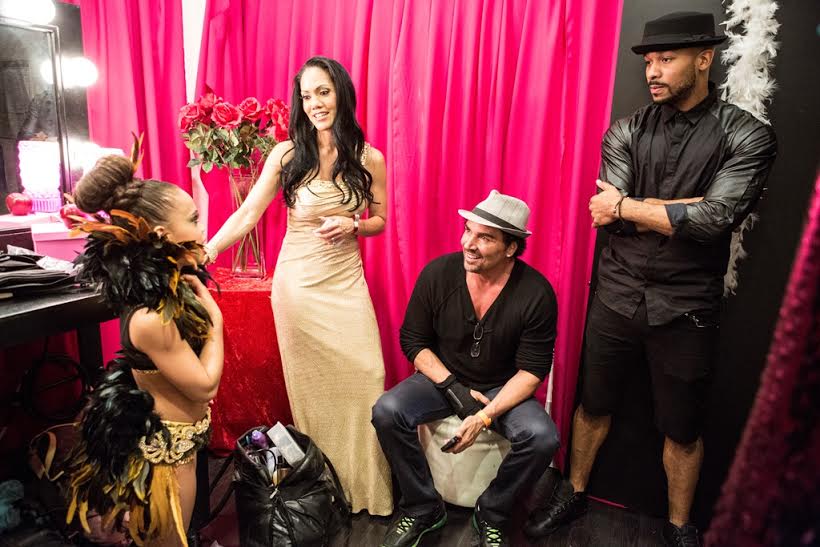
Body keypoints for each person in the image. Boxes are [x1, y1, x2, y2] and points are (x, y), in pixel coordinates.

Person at [524, 12, 777, 547]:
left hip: (688, 306)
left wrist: (632, 206)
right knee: (593, 404)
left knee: (683, 428)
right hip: (616, 294)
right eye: (649, 62)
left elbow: (716, 221)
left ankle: (680, 526)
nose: (653, 72)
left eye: (667, 59)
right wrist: (682, 208)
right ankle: (573, 491)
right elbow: (606, 212)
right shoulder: (625, 131)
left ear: (704, 59)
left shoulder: (747, 135)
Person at [203, 56, 392, 515]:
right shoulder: (286, 154)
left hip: (345, 285)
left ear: (342, 93)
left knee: (368, 376)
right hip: (299, 289)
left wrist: (354, 224)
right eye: (306, 96)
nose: (315, 103)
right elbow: (248, 213)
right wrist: (206, 252)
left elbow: (381, 219)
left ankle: (367, 490)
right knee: (313, 394)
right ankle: (325, 491)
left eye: (323, 92)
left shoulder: (370, 157)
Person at [372, 190, 560, 547]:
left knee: (542, 438)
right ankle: (423, 506)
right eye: (468, 231)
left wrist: (485, 416)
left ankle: (493, 512)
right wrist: (453, 388)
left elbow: (532, 371)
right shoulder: (438, 274)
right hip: (443, 378)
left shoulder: (536, 293)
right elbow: (413, 340)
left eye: (485, 238)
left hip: (502, 387)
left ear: (511, 248)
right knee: (387, 411)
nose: (468, 244)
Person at [62, 149, 224, 547]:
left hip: (180, 449)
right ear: (163, 235)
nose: (202, 228)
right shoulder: (152, 317)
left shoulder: (168, 289)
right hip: (164, 463)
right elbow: (205, 386)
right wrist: (217, 322)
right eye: (193, 219)